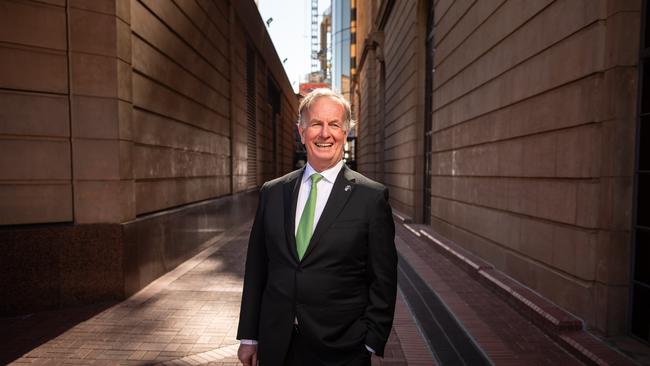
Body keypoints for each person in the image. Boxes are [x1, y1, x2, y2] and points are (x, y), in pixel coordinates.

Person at [237, 88, 397, 366]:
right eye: (316, 124)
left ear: (345, 133)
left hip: (342, 348)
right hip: (276, 346)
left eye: (334, 124)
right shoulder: (273, 193)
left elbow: (383, 279)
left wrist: (371, 341)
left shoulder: (371, 198)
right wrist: (249, 337)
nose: (325, 133)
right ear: (301, 132)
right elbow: (256, 269)